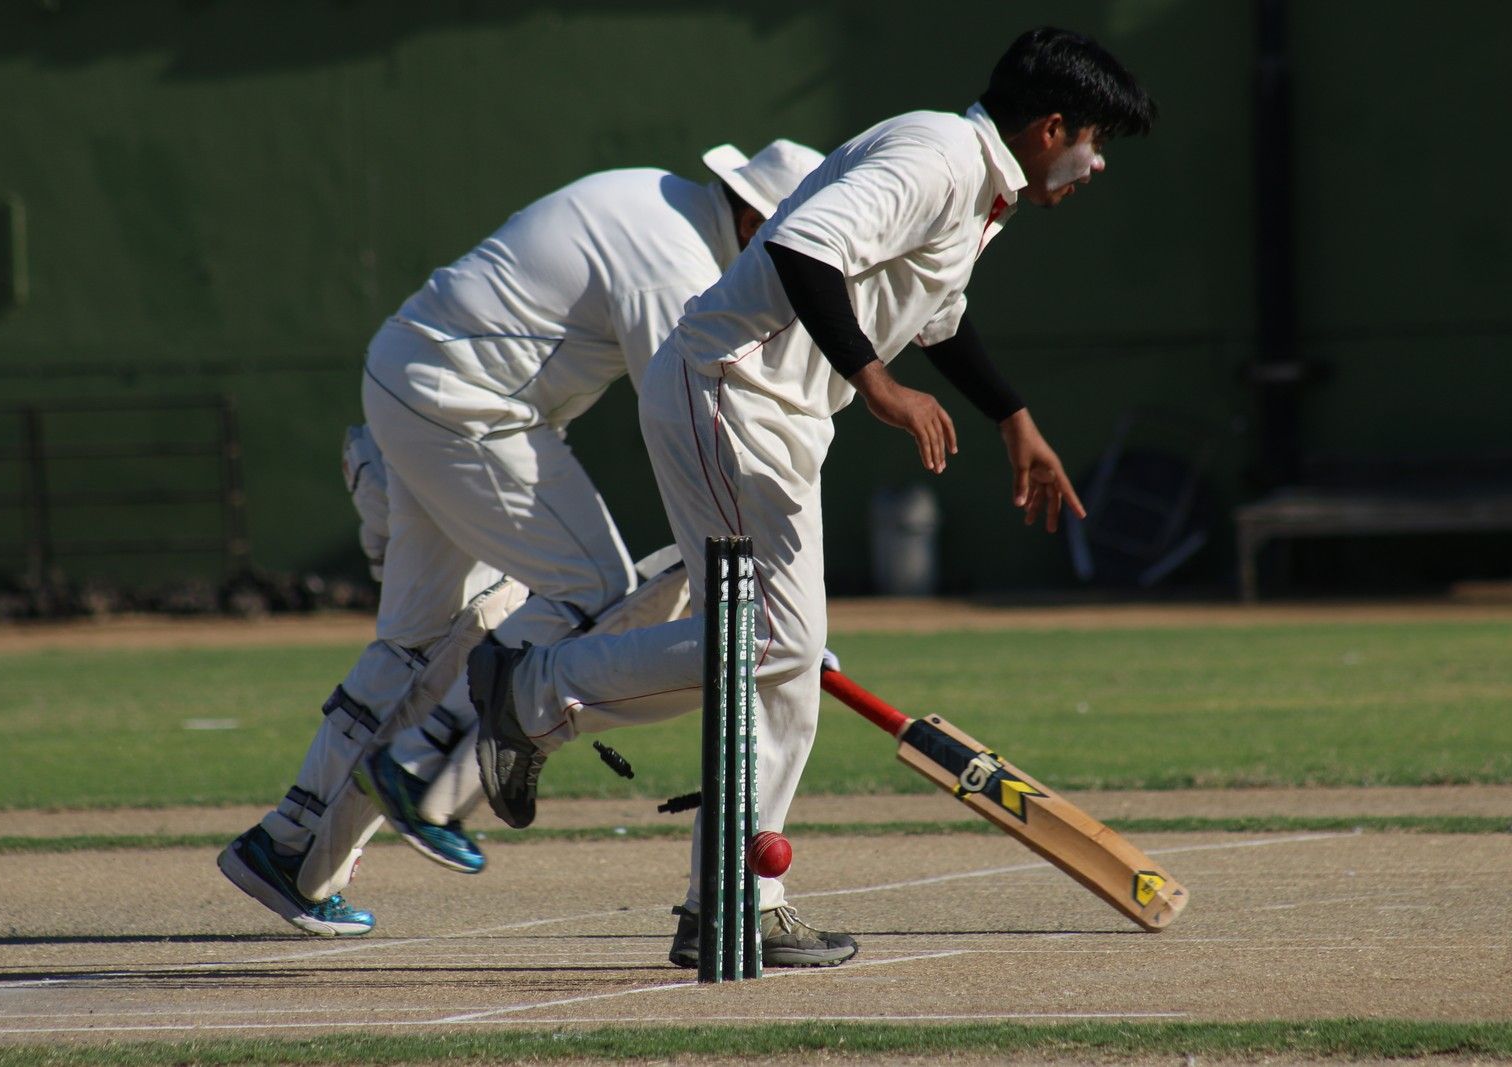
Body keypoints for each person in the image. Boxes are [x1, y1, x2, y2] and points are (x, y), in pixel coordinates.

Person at [462, 27, 1157, 968]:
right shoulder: (938, 156)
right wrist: (877, 383)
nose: (1096, 163)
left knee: (781, 658)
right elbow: (801, 245)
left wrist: (1012, 418)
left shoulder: (978, 190)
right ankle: (543, 697)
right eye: (1095, 140)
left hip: (776, 415)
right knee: (775, 646)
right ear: (1050, 127)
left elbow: (938, 319)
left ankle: (726, 893)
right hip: (728, 389)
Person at [217, 139, 826, 937]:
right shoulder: (673, 263)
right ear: (753, 222)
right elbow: (695, 427)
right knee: (593, 592)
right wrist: (771, 602)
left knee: (416, 642)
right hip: (467, 407)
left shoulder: (655, 196)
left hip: (410, 381)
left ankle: (291, 843)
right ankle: (422, 763)